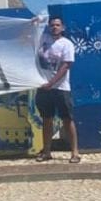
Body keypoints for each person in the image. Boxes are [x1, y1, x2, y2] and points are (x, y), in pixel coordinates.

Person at [34, 17, 81, 163]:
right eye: (52, 25)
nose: (55, 27)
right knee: (47, 119)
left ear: (62, 27)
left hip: (61, 88)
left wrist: (51, 82)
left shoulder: (66, 44)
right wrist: (35, 21)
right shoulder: (43, 39)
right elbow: (31, 31)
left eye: (57, 25)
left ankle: (75, 152)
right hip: (43, 88)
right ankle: (46, 150)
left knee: (67, 119)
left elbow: (66, 66)